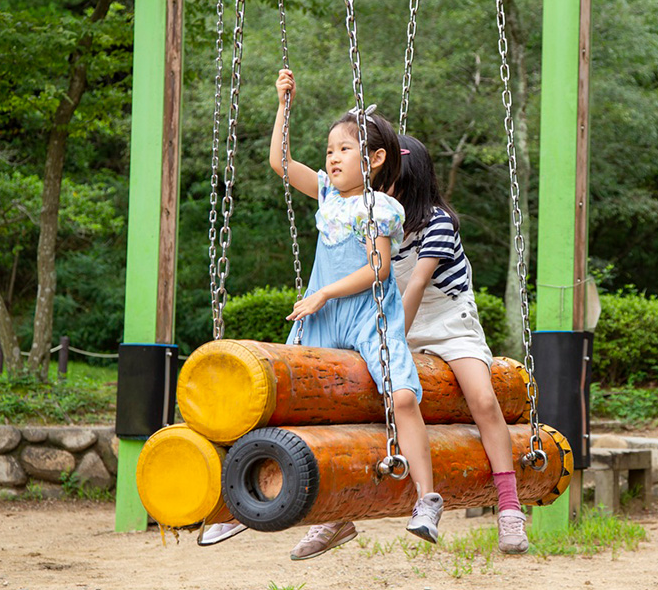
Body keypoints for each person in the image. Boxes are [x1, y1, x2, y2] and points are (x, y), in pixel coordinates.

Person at [201, 68, 443, 557]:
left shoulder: (382, 207)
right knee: (288, 404)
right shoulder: (328, 196)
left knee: (401, 399)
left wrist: (324, 293)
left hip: (368, 315)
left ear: (374, 160)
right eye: (330, 150)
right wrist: (283, 106)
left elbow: (378, 269)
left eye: (344, 150)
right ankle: (241, 506)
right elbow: (280, 161)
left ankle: (426, 499)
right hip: (323, 318)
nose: (332, 158)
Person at [389, 134, 528, 554]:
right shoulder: (379, 219)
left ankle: (509, 507)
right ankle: (339, 516)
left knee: (483, 401)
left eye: (387, 178)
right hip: (402, 320)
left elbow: (417, 282)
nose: (379, 186)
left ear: (408, 179)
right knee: (386, 402)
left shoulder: (438, 221)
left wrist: (394, 341)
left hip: (450, 321)